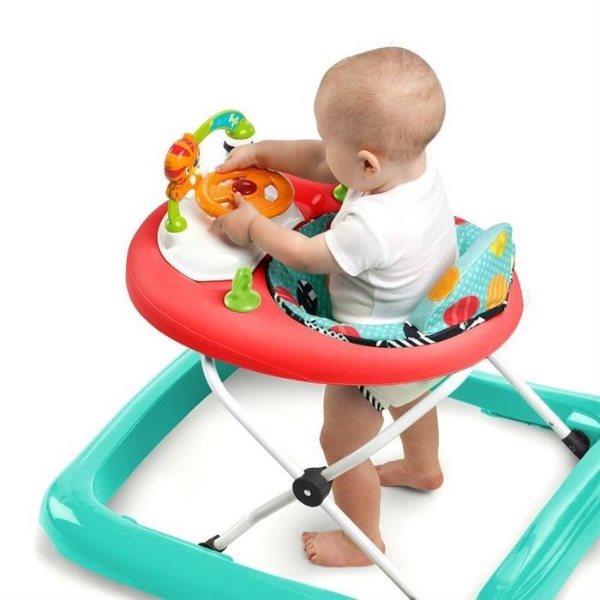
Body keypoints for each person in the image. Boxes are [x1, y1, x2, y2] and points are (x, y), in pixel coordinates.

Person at [209, 47, 457, 568]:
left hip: (374, 353)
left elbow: (306, 255)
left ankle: (362, 541)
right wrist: (263, 153)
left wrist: (252, 226)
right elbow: (325, 163)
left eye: (329, 140)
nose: (323, 151)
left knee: (341, 444)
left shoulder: (372, 226)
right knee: (412, 398)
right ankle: (422, 467)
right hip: (428, 337)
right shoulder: (414, 171)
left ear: (367, 163)